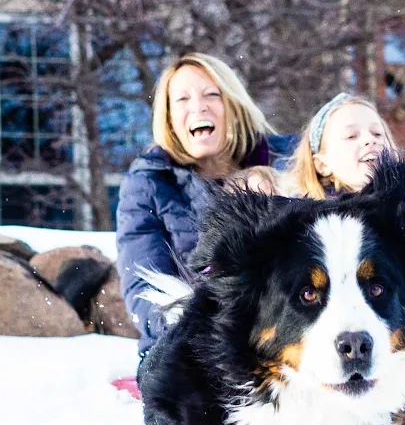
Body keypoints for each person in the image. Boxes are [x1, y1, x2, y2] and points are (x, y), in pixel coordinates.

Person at [116, 54, 294, 354]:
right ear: (169, 118)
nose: (198, 107)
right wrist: (208, 327)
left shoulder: (289, 159)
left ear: (233, 105)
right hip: (187, 350)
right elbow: (144, 293)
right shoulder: (147, 185)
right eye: (182, 100)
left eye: (212, 94)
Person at [283, 93, 405, 253]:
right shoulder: (303, 227)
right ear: (322, 165)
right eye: (351, 136)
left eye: (377, 134)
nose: (370, 139)